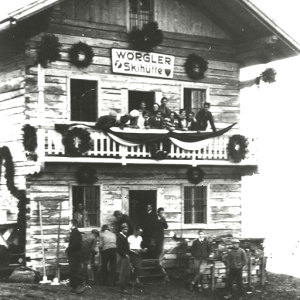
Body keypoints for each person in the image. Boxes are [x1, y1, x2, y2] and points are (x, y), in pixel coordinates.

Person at [65, 219, 90, 294]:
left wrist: (69, 249)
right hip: (75, 254)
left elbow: (75, 244)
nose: (68, 226)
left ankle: (83, 284)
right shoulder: (75, 232)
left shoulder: (75, 233)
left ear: (72, 225)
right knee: (73, 270)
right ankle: (74, 287)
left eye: (69, 224)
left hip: (75, 254)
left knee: (74, 270)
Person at [117, 223, 131, 294]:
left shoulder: (125, 237)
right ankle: (122, 288)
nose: (126, 230)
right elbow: (119, 249)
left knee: (127, 273)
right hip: (123, 257)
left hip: (126, 256)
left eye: (127, 229)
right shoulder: (120, 237)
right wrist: (125, 254)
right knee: (123, 273)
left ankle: (125, 287)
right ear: (121, 229)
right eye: (124, 229)